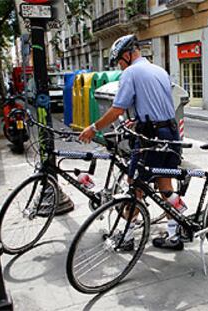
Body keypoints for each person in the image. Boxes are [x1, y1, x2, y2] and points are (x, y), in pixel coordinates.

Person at [79, 34, 185, 251]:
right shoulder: (160, 71)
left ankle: (127, 236)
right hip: (171, 133)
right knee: (166, 184)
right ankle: (175, 232)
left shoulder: (131, 72)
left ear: (128, 55)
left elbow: (117, 108)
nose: (119, 64)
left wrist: (93, 128)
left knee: (134, 185)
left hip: (150, 137)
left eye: (119, 59)